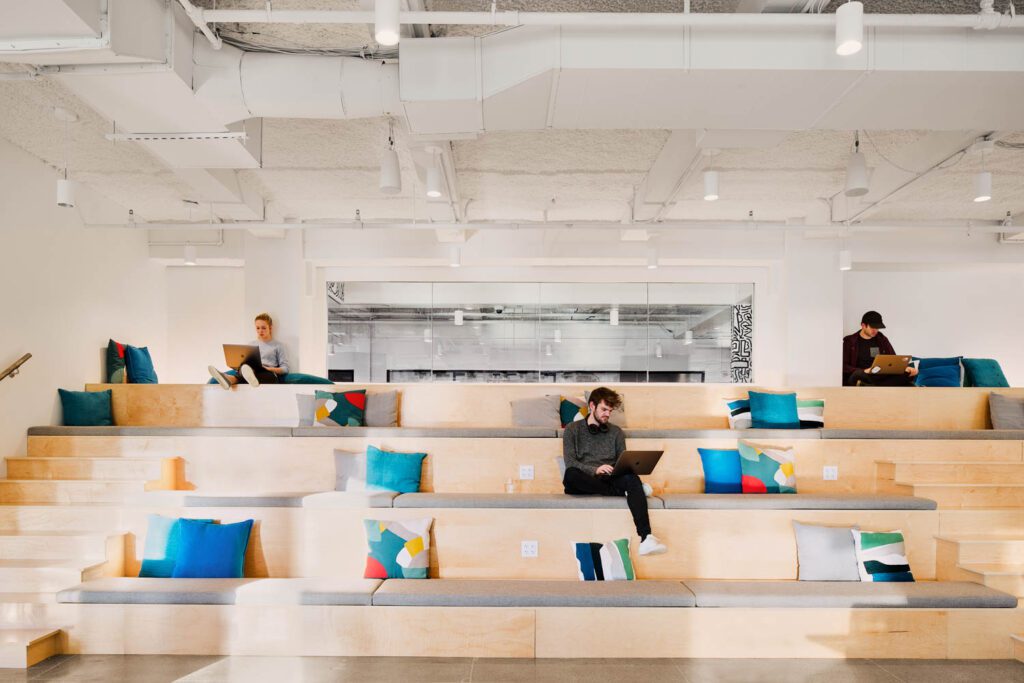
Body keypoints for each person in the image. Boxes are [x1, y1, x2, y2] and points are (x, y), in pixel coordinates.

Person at [562, 387, 667, 556]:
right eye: (604, 409)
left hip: (610, 478)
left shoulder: (616, 432)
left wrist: (620, 470)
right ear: (592, 406)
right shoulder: (572, 430)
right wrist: (595, 469)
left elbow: (622, 462)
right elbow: (570, 462)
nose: (607, 415)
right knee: (570, 475)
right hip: (583, 480)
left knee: (631, 478)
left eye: (610, 411)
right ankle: (629, 491)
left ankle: (646, 538)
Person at [209, 313, 289, 389]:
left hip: (267, 372)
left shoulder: (278, 345)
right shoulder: (251, 344)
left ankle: (230, 379)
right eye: (258, 328)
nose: (260, 331)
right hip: (249, 369)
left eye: (263, 328)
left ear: (270, 328)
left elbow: (285, 369)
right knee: (244, 367)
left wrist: (269, 369)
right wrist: (235, 365)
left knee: (268, 376)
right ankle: (249, 378)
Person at [842, 311, 918, 387]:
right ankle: (875, 385)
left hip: (880, 375)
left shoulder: (882, 339)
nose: (875, 331)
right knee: (857, 375)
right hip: (863, 375)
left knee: (908, 374)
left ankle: (870, 386)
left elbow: (893, 359)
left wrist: (906, 368)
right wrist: (864, 370)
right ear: (863, 325)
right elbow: (843, 366)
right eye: (872, 327)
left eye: (877, 328)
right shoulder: (849, 341)